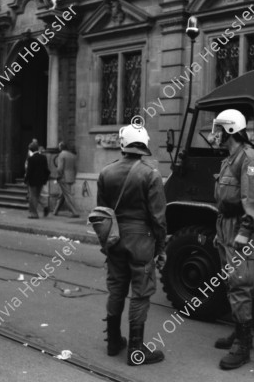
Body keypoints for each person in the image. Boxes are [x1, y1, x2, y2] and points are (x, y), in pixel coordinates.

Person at [96, 124, 167, 366]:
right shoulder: (151, 175)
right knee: (141, 291)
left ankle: (113, 342)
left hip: (114, 239)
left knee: (116, 288)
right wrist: (161, 248)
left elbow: (101, 213)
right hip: (141, 241)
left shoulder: (106, 173)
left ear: (122, 144)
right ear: (144, 145)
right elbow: (158, 218)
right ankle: (137, 351)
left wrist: (106, 241)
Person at [208, 109, 254, 370]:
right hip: (226, 225)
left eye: (218, 129)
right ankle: (240, 331)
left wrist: (244, 232)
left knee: (240, 283)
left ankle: (243, 345)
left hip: (241, 227)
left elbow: (252, 202)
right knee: (231, 282)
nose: (214, 134)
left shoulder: (249, 158)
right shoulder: (229, 158)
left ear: (230, 130)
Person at [53, 142, 80, 217]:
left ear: (61, 147)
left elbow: (60, 168)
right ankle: (55, 210)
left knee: (67, 195)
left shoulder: (61, 155)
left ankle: (75, 212)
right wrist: (74, 176)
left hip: (63, 177)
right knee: (62, 194)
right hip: (70, 177)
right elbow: (75, 168)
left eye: (59, 146)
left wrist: (58, 176)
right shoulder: (72, 155)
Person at [25, 141, 50, 219]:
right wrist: (45, 179)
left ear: (31, 150)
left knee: (33, 197)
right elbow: (46, 170)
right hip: (41, 181)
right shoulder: (43, 157)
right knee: (37, 196)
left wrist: (26, 180)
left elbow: (29, 171)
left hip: (33, 181)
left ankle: (34, 213)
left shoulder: (31, 159)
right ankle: (44, 208)